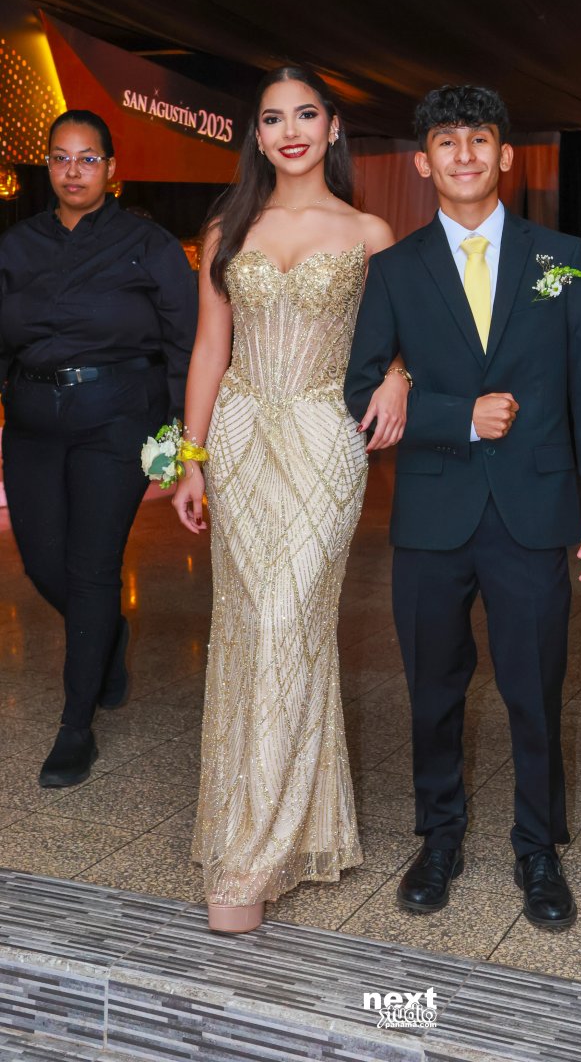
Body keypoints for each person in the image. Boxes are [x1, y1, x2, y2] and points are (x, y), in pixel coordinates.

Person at [344, 84, 581, 930]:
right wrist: (457, 416)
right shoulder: (395, 269)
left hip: (535, 508)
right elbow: (361, 391)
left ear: (506, 156)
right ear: (421, 163)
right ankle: (439, 839)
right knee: (432, 690)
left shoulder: (560, 256)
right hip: (433, 510)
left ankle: (539, 850)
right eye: (446, 141)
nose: (463, 154)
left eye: (478, 139)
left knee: (536, 691)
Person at [173, 63, 407, 934]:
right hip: (239, 435)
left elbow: (405, 333)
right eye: (274, 119)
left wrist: (400, 376)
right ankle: (263, 830)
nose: (291, 131)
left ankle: (253, 857)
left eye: (306, 114)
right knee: (249, 628)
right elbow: (209, 348)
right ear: (258, 136)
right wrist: (192, 457)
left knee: (287, 618)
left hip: (322, 438)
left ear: (334, 127)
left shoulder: (371, 232)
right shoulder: (226, 227)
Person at [0, 109, 198, 788]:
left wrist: (180, 437)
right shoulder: (17, 245)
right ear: (47, 166)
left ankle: (75, 726)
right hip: (32, 423)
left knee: (90, 566)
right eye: (61, 157)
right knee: (42, 563)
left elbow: (186, 342)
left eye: (88, 158)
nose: (73, 170)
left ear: (112, 170)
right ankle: (107, 634)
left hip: (117, 419)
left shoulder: (148, 244)